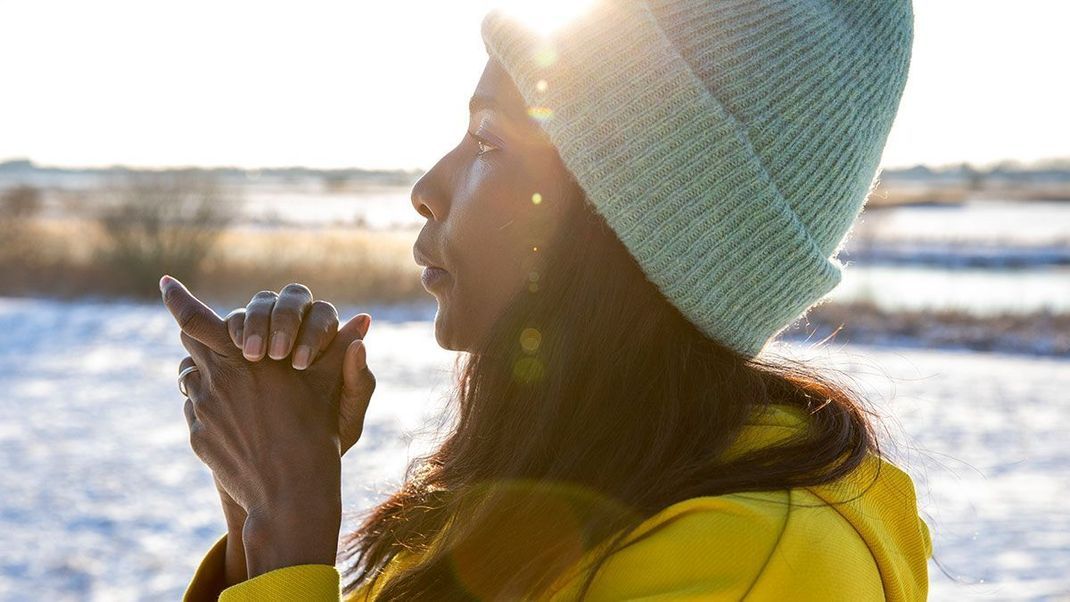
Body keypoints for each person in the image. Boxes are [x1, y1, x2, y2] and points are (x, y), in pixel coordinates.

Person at [166, 0, 930, 599]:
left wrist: (290, 525)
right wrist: (257, 515)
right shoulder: (535, 487)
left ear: (633, 213)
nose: (426, 189)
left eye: (489, 142)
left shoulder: (771, 564)